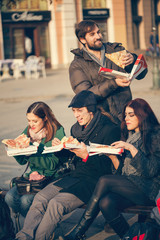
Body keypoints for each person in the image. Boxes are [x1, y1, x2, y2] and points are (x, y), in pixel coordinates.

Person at [15, 90, 121, 240]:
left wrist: (85, 156)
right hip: (74, 176)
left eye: (80, 111)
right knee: (40, 198)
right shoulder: (76, 128)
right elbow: (71, 159)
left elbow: (108, 168)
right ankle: (23, 237)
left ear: (91, 110)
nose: (76, 115)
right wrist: (61, 148)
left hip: (94, 181)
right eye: (74, 111)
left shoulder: (110, 129)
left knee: (56, 204)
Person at [64, 98, 160, 240]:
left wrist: (131, 148)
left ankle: (79, 231)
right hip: (131, 187)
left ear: (142, 115)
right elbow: (121, 173)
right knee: (106, 202)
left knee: (105, 180)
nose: (126, 118)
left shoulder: (154, 135)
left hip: (149, 190)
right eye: (125, 115)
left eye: (131, 115)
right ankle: (128, 237)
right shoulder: (129, 135)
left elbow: (150, 171)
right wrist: (113, 157)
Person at [69, 20, 148, 124]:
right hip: (102, 120)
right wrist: (114, 83)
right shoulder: (77, 65)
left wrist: (133, 60)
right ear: (83, 39)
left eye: (98, 32)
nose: (98, 36)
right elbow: (86, 96)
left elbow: (141, 74)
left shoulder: (116, 50)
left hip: (126, 115)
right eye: (92, 34)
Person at [5, 101, 65, 218]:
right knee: (9, 197)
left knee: (25, 201)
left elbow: (52, 165)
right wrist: (15, 149)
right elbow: (22, 161)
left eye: (35, 121)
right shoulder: (29, 131)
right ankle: (35, 224)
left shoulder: (57, 131)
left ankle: (36, 227)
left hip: (51, 177)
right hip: (33, 177)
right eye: (29, 120)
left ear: (45, 118)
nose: (31, 124)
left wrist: (31, 153)